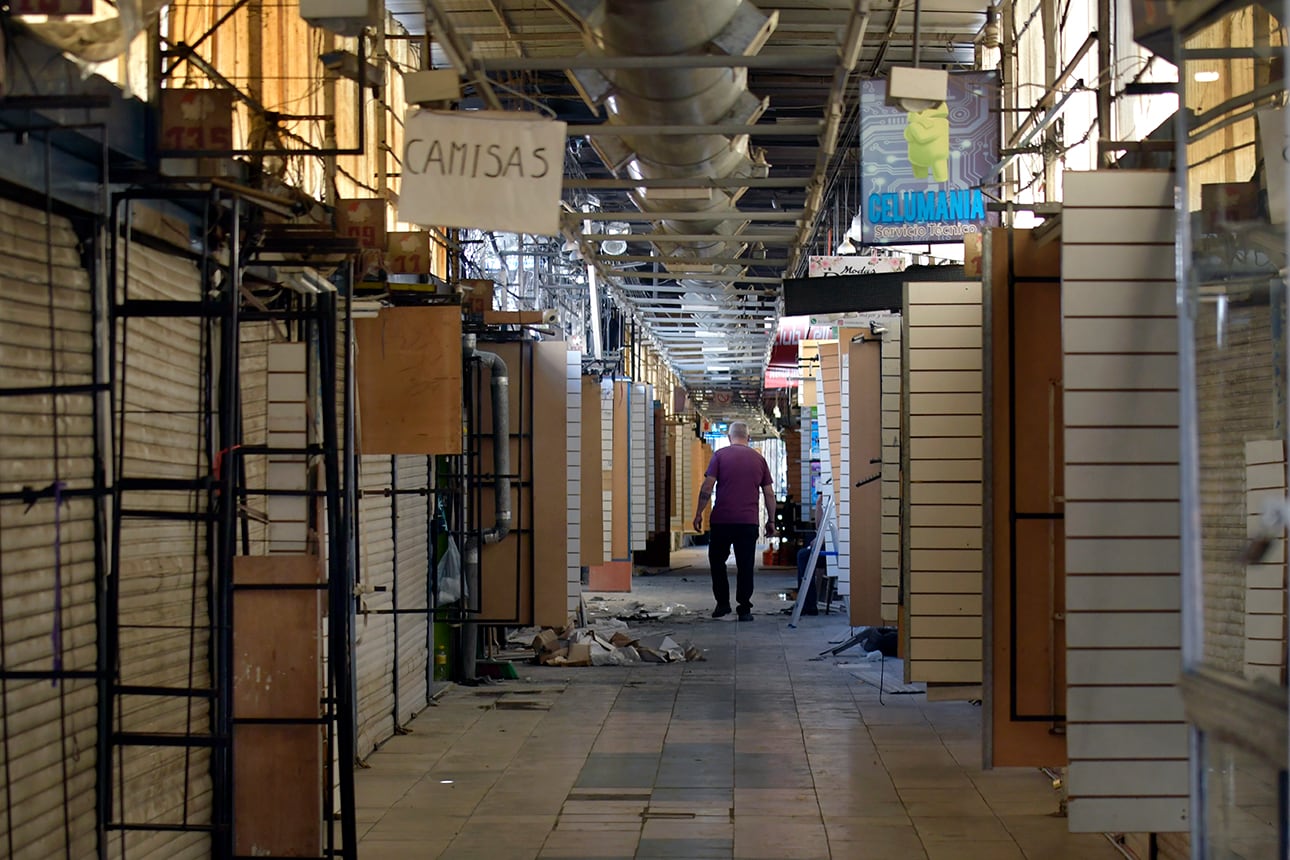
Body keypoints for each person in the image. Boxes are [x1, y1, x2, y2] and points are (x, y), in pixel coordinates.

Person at [692, 421, 775, 621]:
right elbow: (769, 494)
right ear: (748, 438)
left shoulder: (719, 456)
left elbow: (707, 487)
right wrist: (771, 521)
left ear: (730, 438)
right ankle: (744, 609)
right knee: (745, 565)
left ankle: (722, 604)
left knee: (717, 562)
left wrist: (698, 513)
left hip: (722, 520)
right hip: (748, 522)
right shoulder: (759, 460)